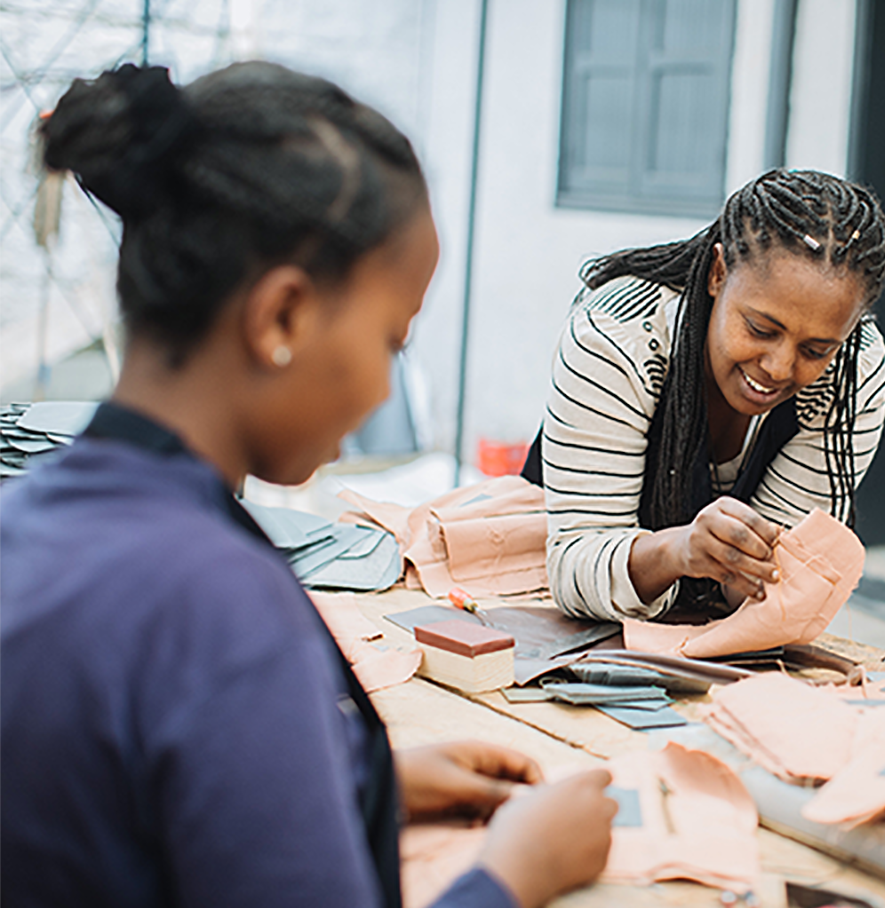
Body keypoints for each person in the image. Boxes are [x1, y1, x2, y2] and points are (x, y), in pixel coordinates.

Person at [1, 62, 616, 908]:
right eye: (391, 342)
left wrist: (357, 781)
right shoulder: (221, 605)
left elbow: (112, 807)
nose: (380, 389)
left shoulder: (31, 517)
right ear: (283, 316)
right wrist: (513, 874)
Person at [522, 169, 885, 623]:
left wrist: (754, 572)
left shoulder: (852, 372)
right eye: (760, 329)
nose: (778, 368)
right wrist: (680, 551)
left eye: (815, 350)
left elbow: (778, 591)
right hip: (553, 606)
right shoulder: (619, 337)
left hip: (705, 636)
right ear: (718, 273)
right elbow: (574, 566)